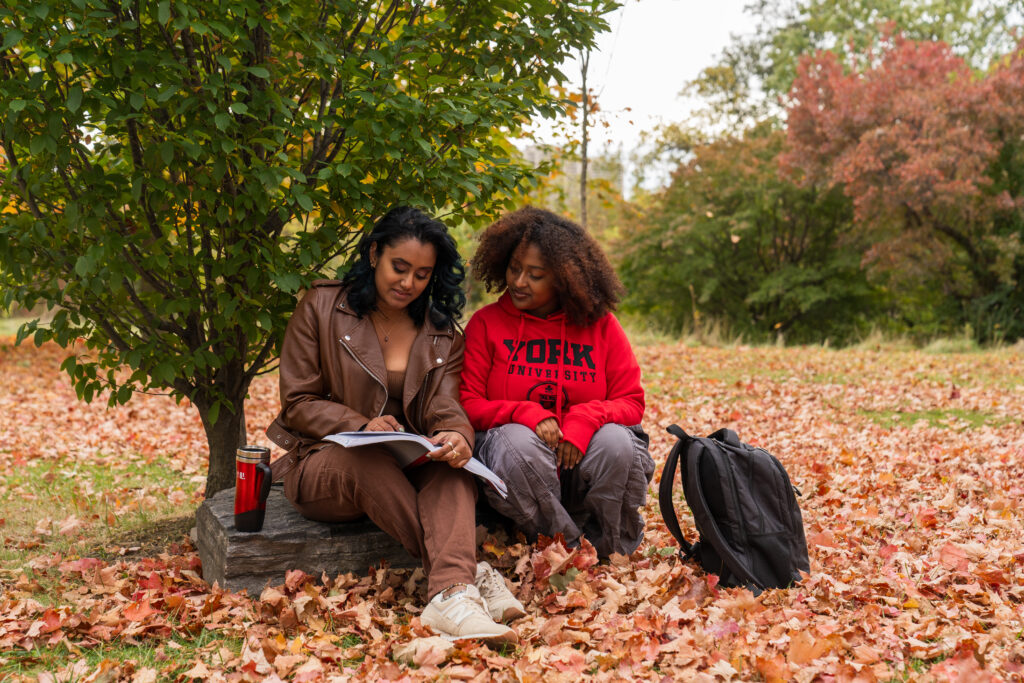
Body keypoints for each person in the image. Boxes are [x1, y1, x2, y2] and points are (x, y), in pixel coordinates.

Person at [265, 206, 524, 644]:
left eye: (422, 274)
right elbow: (298, 402)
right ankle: (468, 577)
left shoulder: (441, 332)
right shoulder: (323, 306)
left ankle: (448, 597)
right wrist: (361, 424)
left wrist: (457, 435)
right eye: (399, 267)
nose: (408, 283)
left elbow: (445, 404)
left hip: (406, 457)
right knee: (365, 461)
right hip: (325, 463)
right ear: (373, 255)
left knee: (451, 468)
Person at [460, 206, 656, 559]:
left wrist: (585, 418)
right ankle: (564, 548)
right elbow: (468, 403)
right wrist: (524, 412)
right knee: (517, 441)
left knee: (617, 443)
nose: (519, 282)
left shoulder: (601, 326)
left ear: (564, 279)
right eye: (514, 268)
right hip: (523, 469)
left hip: (582, 465)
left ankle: (611, 548)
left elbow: (631, 402)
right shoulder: (486, 324)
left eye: (535, 275)